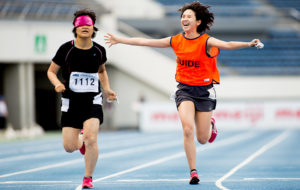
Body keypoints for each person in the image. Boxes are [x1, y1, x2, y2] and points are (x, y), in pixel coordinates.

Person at [104, 1, 263, 185]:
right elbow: (145, 41)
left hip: (204, 91)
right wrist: (119, 39)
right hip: (184, 90)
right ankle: (193, 172)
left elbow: (227, 44)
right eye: (183, 16)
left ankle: (211, 125)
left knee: (202, 139)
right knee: (188, 129)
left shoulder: (206, 41)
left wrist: (249, 44)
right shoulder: (176, 40)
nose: (184, 19)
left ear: (198, 22)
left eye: (189, 17)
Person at [47, 9, 117, 189]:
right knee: (69, 147)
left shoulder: (99, 50)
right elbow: (51, 71)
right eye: (81, 24)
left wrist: (107, 89)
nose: (85, 27)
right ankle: (81, 141)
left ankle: (88, 178)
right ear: (75, 28)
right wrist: (57, 84)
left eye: (89, 24)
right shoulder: (66, 49)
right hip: (71, 102)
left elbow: (102, 71)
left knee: (92, 138)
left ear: (93, 28)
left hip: (92, 100)